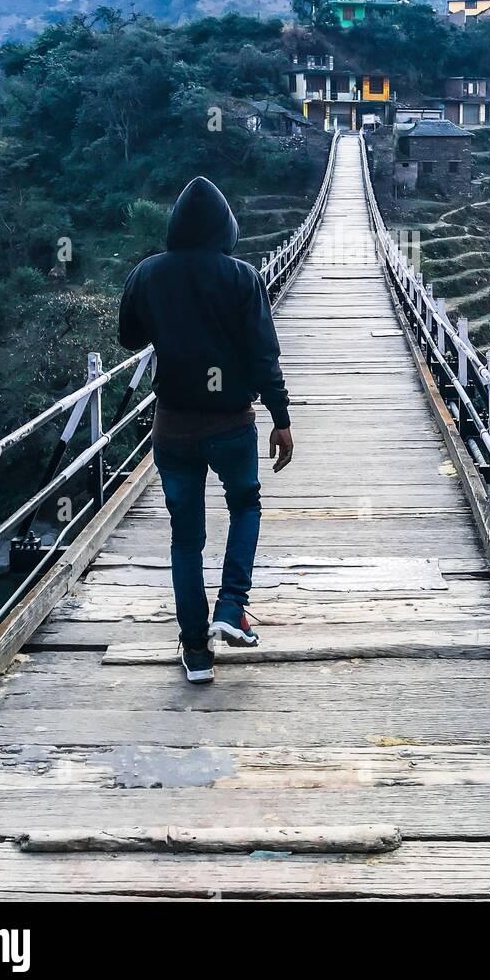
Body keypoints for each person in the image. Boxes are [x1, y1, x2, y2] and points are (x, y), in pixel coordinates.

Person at [119, 176, 293, 683]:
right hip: (232, 425)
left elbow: (130, 337)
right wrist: (281, 418)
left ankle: (196, 651)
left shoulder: (147, 274)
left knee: (185, 538)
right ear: (225, 227)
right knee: (244, 505)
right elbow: (264, 354)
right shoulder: (243, 277)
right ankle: (231, 607)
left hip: (173, 426)